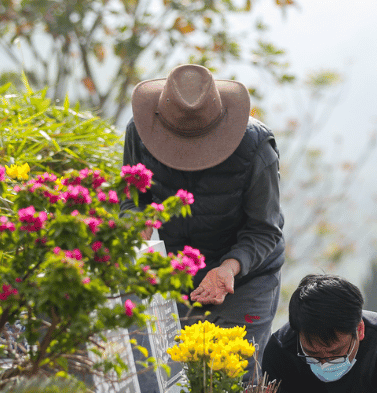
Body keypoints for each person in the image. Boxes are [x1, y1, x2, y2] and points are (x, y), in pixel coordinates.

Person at [121, 64, 285, 357]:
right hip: (174, 272)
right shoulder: (141, 132)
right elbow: (132, 198)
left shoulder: (257, 147)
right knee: (170, 368)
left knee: (233, 374)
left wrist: (228, 268)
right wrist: (137, 222)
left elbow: (264, 228)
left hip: (243, 278)